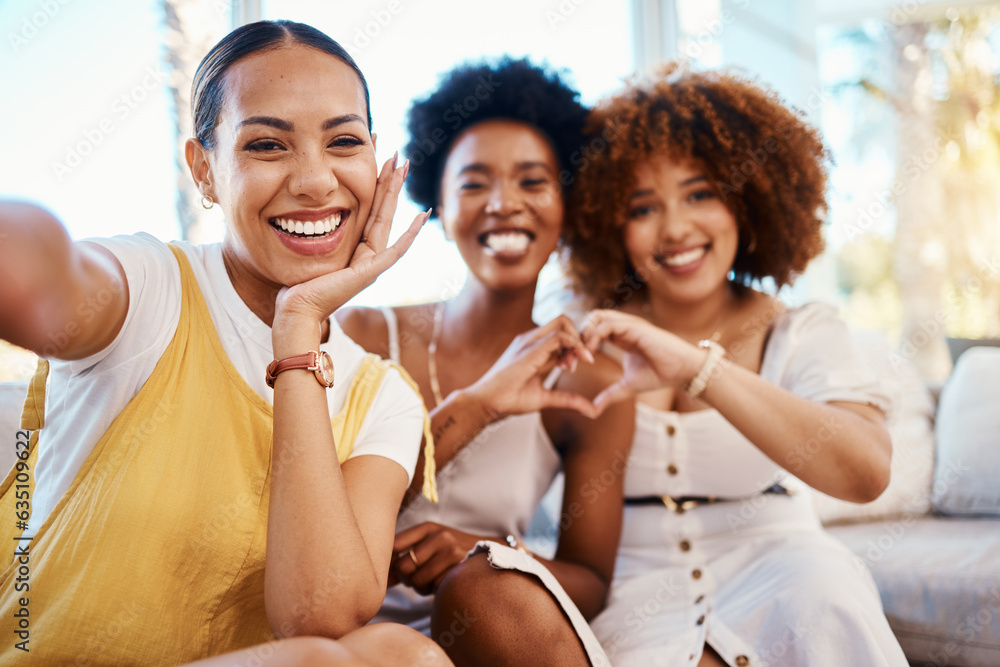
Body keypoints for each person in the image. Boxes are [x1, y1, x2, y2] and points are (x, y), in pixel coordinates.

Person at [0, 20, 452, 667]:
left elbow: (317, 611)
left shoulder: (384, 395)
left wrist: (297, 327)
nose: (317, 181)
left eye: (344, 141)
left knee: (403, 655)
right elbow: (33, 273)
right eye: (268, 145)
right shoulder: (152, 287)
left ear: (376, 160)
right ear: (204, 169)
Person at [562, 64, 909, 666]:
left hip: (788, 567)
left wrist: (698, 368)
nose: (675, 229)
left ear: (748, 202)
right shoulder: (586, 335)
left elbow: (866, 473)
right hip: (636, 593)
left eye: (701, 194)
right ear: (610, 224)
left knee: (826, 603)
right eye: (643, 207)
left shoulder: (801, 329)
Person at [337, 58, 634, 666]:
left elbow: (591, 581)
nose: (505, 204)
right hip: (354, 632)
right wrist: (485, 401)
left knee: (483, 586)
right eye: (474, 183)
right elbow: (315, 516)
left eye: (533, 182)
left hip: (501, 633)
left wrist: (489, 550)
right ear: (439, 212)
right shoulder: (362, 332)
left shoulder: (590, 381)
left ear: (565, 208)